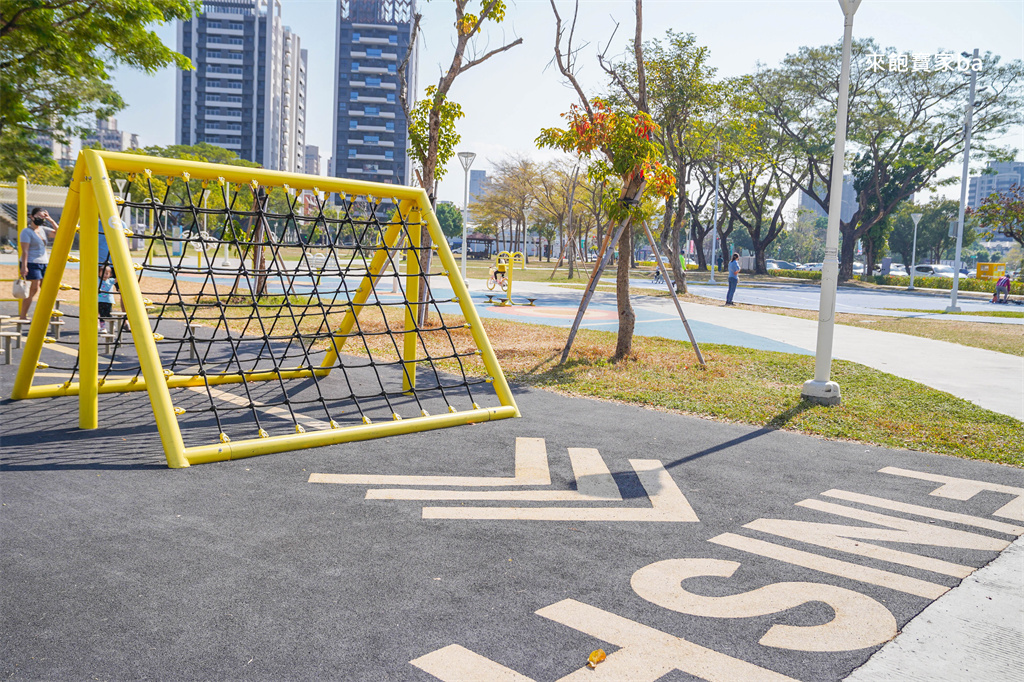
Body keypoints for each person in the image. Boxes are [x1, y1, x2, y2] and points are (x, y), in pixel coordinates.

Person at [19, 207, 59, 319]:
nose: (41, 219)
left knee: (47, 288)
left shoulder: (43, 229)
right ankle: (23, 316)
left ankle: (50, 314)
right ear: (31, 217)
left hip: (44, 263)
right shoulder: (26, 231)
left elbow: (60, 233)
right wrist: (24, 267)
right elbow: (25, 250)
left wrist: (50, 220)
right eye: (39, 216)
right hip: (31, 263)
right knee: (34, 289)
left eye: (43, 217)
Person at [98, 266, 117, 331]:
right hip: (99, 301)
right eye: (102, 273)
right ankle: (103, 327)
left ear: (110, 274)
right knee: (101, 315)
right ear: (98, 273)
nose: (104, 275)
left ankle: (112, 324)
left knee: (109, 314)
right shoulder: (97, 280)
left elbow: (117, 279)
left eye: (106, 273)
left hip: (108, 301)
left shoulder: (110, 281)